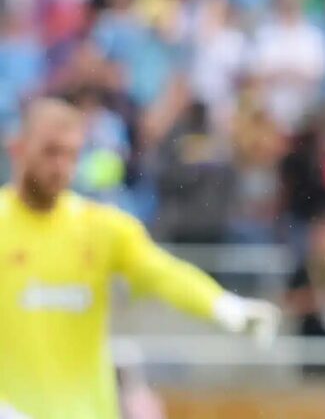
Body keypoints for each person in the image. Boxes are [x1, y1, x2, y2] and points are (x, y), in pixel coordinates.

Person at [0, 98, 281, 419]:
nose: (61, 167)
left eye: (71, 154)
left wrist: (222, 305)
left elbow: (161, 272)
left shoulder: (102, 227)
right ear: (18, 148)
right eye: (51, 152)